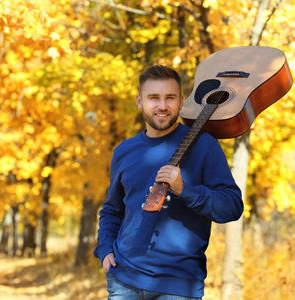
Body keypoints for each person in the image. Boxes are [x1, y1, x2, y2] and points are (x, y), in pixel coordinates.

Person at [93, 65, 243, 299]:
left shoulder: (205, 146)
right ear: (139, 101)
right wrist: (104, 251)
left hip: (179, 285)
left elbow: (232, 206)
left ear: (181, 102)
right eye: (154, 98)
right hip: (123, 280)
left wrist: (185, 190)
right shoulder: (124, 151)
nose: (162, 106)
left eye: (170, 98)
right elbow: (112, 210)